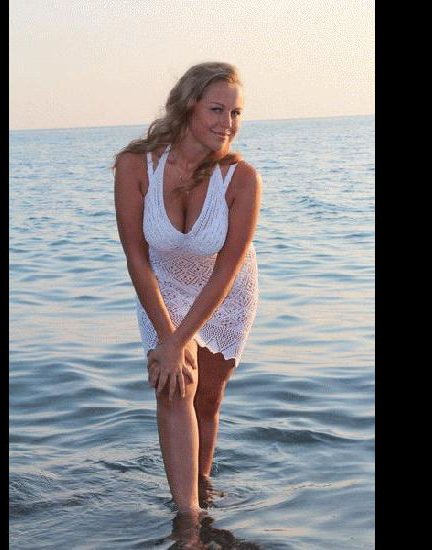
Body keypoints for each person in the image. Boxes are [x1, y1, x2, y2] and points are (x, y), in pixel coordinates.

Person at [113, 61, 261, 517]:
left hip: (224, 292)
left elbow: (227, 270)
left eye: (236, 113)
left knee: (208, 399)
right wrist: (169, 338)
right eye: (217, 110)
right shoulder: (136, 165)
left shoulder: (241, 178)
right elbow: (136, 257)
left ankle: (201, 485)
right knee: (176, 385)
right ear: (187, 106)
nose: (228, 123)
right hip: (161, 287)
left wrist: (182, 339)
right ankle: (189, 517)